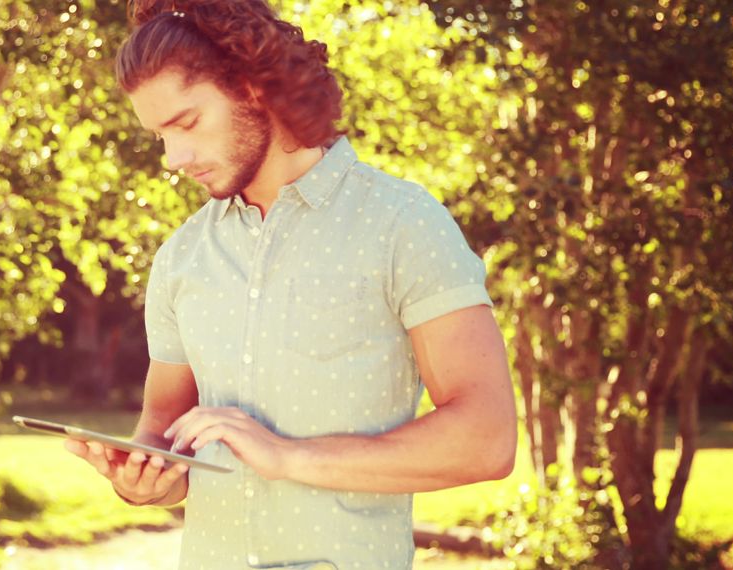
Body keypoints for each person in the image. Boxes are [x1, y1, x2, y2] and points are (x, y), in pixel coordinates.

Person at [63, 1, 518, 568]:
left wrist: (286, 456)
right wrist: (144, 480)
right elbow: (161, 428)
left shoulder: (403, 224)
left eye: (186, 123)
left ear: (252, 87)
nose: (174, 158)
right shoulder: (182, 258)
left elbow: (486, 438)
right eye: (160, 136)